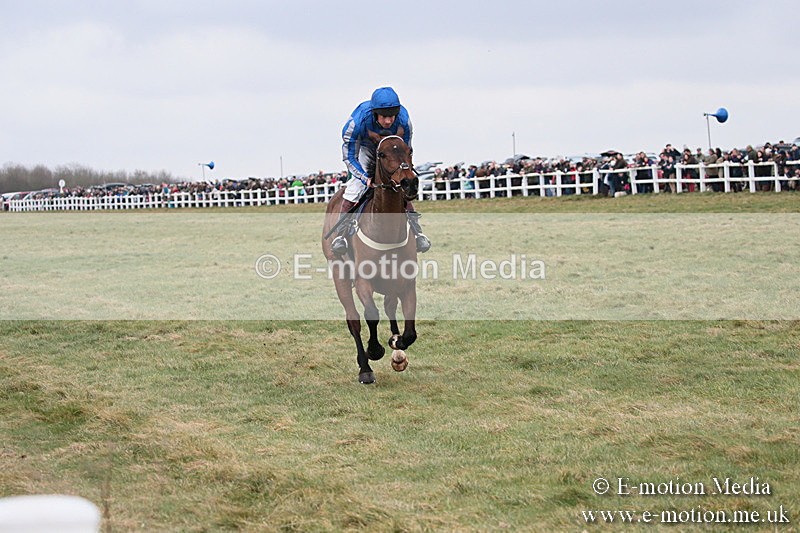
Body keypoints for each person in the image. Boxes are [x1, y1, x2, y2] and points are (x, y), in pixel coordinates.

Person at [330, 87, 431, 256]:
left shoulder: (404, 120)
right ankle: (341, 235)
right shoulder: (356, 123)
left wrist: (405, 171)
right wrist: (364, 178)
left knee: (401, 186)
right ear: (375, 113)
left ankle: (417, 232)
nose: (388, 121)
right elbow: (349, 157)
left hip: (392, 149)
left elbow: (406, 149)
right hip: (365, 147)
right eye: (384, 117)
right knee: (355, 187)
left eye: (392, 116)